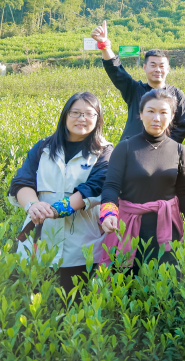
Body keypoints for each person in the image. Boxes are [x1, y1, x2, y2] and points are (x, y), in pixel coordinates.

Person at [8, 92, 113, 293]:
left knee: (75, 304)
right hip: (39, 242)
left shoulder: (104, 151)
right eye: (76, 112)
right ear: (65, 115)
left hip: (81, 248)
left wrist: (57, 209)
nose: (82, 118)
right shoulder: (43, 147)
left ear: (98, 118)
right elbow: (21, 182)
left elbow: (94, 186)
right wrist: (33, 206)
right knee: (36, 304)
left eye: (89, 114)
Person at [99, 90, 185, 272]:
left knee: (167, 281)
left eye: (163, 112)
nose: (156, 118)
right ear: (141, 114)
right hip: (130, 227)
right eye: (150, 111)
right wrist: (108, 213)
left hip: (168, 228)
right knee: (128, 280)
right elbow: (111, 185)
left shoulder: (179, 150)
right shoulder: (125, 148)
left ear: (172, 116)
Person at [91, 21, 185, 143]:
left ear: (168, 69)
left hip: (162, 151)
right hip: (131, 149)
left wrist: (163, 147)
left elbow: (181, 128)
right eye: (153, 65)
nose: (157, 69)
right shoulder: (133, 89)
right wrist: (104, 45)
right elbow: (116, 70)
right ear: (144, 67)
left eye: (161, 66)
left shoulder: (177, 95)